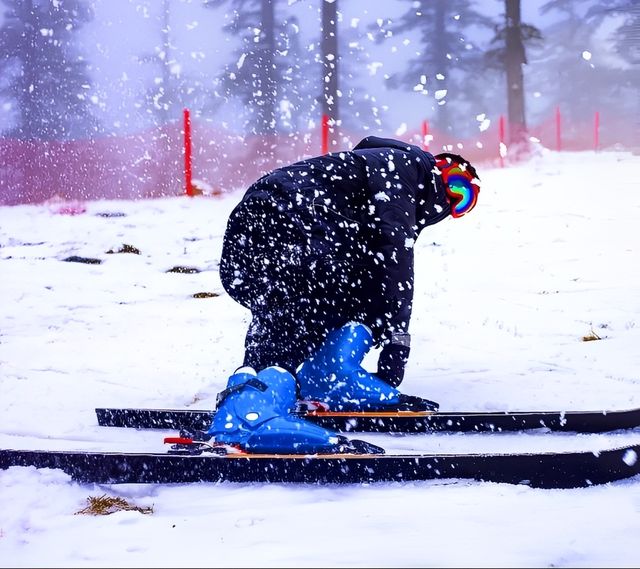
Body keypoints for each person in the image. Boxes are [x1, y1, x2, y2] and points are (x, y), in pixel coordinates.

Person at [207, 135, 480, 454]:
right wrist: (396, 339)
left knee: (327, 293)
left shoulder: (366, 182)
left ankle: (316, 377)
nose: (451, 200)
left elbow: (378, 264)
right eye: (454, 184)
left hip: (259, 224)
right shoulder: (406, 168)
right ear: (436, 170)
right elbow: (396, 257)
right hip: (288, 219)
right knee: (324, 296)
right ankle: (248, 414)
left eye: (464, 199)